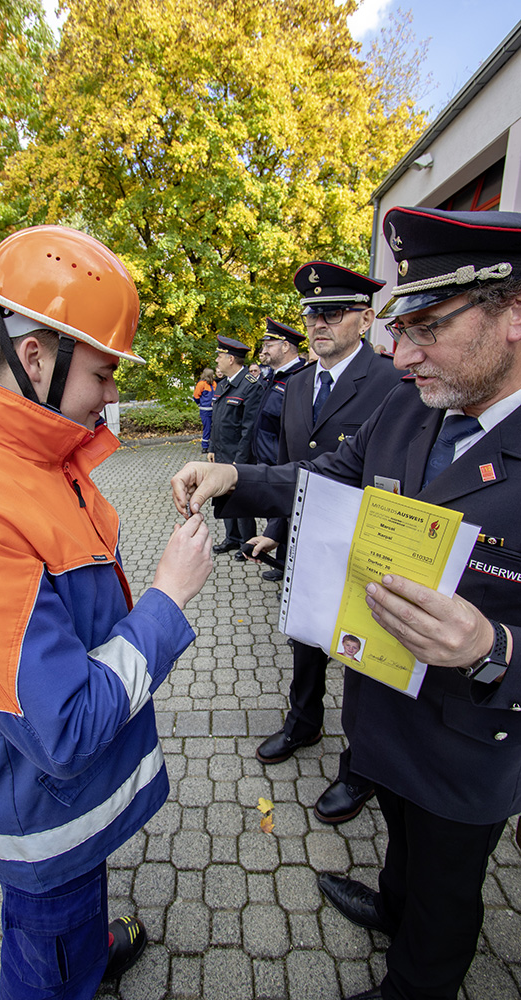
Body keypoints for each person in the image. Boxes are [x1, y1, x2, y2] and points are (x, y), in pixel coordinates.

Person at [171, 206, 521, 1000]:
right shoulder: (412, 403)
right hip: (381, 699)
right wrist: (236, 479)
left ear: (512, 316)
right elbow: (328, 476)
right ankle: (393, 908)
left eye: (427, 326)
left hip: (469, 738)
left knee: (446, 887)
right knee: (400, 841)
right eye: (399, 328)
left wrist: (492, 647)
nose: (402, 353)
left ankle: (417, 982)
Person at [0, 226, 213, 1000]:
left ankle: (83, 951)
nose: (112, 393)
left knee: (70, 917)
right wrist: (167, 597)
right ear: (35, 357)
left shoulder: (26, 456)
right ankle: (67, 969)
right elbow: (67, 730)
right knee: (46, 951)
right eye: (103, 372)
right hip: (40, 817)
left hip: (61, 805)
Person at [249, 264, 403, 828]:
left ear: (366, 318)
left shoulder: (393, 382)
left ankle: (362, 766)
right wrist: (276, 528)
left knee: (366, 659)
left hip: (368, 546)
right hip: (308, 537)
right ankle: (304, 721)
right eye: (312, 313)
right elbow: (292, 467)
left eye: (332, 313)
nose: (318, 323)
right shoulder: (296, 384)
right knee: (305, 636)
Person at [250, 317, 306, 581]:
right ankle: (281, 564)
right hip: (267, 461)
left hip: (283, 463)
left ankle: (290, 572)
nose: (264, 350)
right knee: (276, 516)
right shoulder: (274, 376)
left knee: (290, 517)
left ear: (285, 346)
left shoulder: (300, 377)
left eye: (269, 344)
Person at [209, 334, 264, 557]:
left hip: (238, 457)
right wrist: (211, 448)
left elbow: (249, 430)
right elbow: (217, 420)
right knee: (224, 497)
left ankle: (247, 543)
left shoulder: (251, 386)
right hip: (222, 454)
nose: (217, 360)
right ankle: (231, 538)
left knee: (241, 502)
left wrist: (239, 461)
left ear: (231, 359)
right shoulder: (224, 384)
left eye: (220, 356)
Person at [193, 367, 217, 452]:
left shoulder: (214, 383)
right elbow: (196, 396)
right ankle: (205, 446)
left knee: (212, 428)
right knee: (207, 428)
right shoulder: (202, 384)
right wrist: (200, 404)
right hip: (205, 410)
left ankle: (210, 445)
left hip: (212, 409)